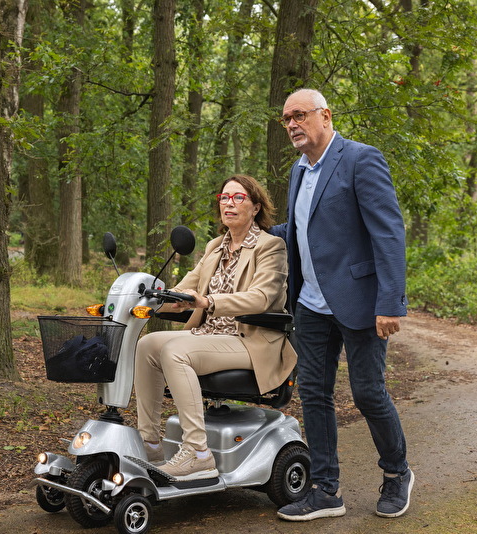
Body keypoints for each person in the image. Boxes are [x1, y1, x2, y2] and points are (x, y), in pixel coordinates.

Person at [270, 89, 413, 520]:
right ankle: (326, 490)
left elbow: (388, 233)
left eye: (299, 115)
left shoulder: (360, 159)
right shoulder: (298, 171)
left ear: (325, 116)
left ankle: (396, 473)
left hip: (360, 301)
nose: (292, 124)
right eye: (286, 119)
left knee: (368, 393)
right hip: (311, 304)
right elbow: (302, 226)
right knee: (314, 395)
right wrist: (255, 229)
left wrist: (390, 302)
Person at [135, 174, 297, 482]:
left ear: (256, 207)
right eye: (224, 198)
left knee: (173, 350)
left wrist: (209, 302)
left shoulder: (270, 247)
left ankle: (197, 453)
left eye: (239, 198)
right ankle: (151, 443)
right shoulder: (214, 248)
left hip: (250, 340)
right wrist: (149, 298)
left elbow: (263, 297)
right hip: (209, 336)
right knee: (147, 344)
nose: (229, 204)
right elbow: (184, 291)